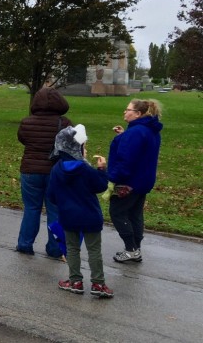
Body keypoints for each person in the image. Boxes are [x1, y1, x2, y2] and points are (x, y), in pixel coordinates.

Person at [48, 125, 113, 298]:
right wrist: (102, 170)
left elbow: (52, 196)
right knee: (94, 250)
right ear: (77, 148)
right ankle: (98, 283)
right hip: (89, 215)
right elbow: (100, 185)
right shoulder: (85, 170)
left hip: (68, 215)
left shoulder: (56, 169)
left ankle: (75, 280)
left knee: (72, 248)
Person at [16, 87, 72, 258]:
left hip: (30, 170)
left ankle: (25, 244)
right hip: (55, 171)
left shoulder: (26, 123)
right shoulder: (65, 124)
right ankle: (55, 248)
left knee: (31, 208)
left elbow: (22, 139)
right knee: (55, 210)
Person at [107, 99, 163, 263]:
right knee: (134, 214)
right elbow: (139, 150)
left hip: (128, 182)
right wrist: (123, 136)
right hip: (143, 180)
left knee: (117, 212)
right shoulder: (149, 130)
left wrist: (112, 178)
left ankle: (130, 248)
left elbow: (126, 160)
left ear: (138, 114)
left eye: (128, 110)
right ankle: (136, 249)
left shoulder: (136, 132)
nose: (125, 112)